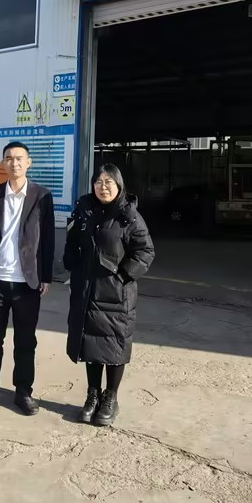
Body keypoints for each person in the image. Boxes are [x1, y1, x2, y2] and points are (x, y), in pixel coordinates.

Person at [63, 163, 155, 427]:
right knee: (90, 344)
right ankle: (92, 395)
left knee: (115, 346)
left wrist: (123, 275)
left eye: (108, 182)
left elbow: (145, 251)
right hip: (86, 290)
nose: (103, 187)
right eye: (98, 182)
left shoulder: (129, 215)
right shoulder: (84, 210)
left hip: (116, 294)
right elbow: (73, 239)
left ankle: (110, 398)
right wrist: (72, 261)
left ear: (119, 185)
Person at [0, 140, 55, 415]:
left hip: (27, 283)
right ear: (3, 163)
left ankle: (23, 392)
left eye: (19, 158)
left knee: (26, 341)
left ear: (28, 163)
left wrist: (46, 276)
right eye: (9, 158)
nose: (14, 162)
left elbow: (48, 238)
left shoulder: (42, 196)